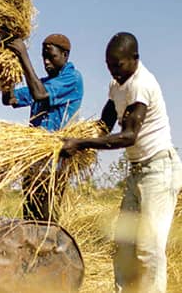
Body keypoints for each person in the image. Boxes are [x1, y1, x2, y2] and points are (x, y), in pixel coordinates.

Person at [61, 32, 181, 293]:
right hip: (138, 170)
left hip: (159, 170)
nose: (114, 71)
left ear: (134, 59)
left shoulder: (141, 84)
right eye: (109, 65)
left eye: (119, 65)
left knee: (150, 247)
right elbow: (105, 122)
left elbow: (128, 136)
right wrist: (80, 136)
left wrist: (81, 143)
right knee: (125, 244)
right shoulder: (117, 85)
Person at [2, 34, 83, 221]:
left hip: (54, 162)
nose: (46, 62)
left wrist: (23, 55)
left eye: (51, 57)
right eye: (43, 57)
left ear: (65, 55)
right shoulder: (42, 82)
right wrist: (7, 68)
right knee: (30, 219)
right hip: (35, 161)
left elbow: (40, 94)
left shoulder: (72, 78)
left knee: (47, 222)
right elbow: (9, 99)